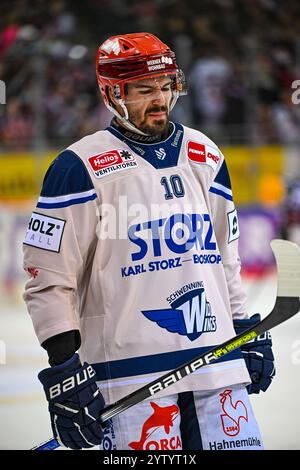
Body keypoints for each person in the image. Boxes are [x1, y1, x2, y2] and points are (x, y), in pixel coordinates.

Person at [23, 32, 275, 451]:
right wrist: (64, 368)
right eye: (144, 90)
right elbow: (49, 277)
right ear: (113, 93)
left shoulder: (205, 153)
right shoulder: (78, 167)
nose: (159, 99)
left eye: (165, 86)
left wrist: (241, 325)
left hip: (216, 366)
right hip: (130, 378)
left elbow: (224, 258)